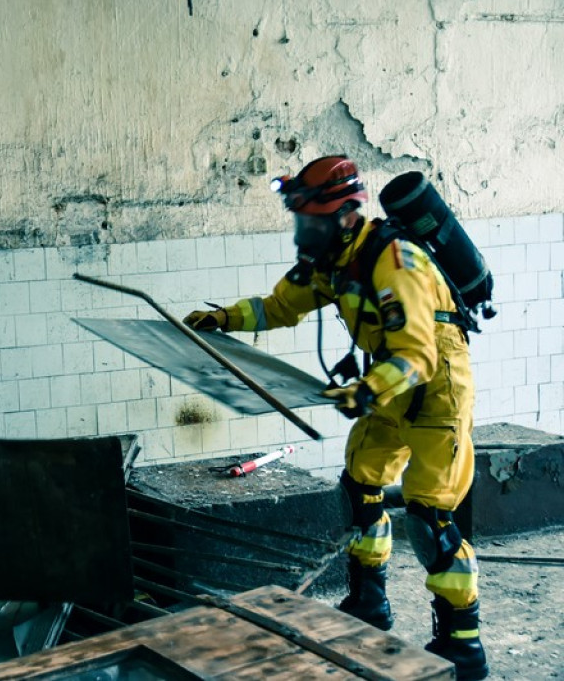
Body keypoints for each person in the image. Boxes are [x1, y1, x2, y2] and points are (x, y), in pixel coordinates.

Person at [182, 156, 488, 680]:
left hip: (437, 390)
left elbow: (418, 357)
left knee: (429, 520)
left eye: (314, 220)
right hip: (389, 387)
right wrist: (223, 318)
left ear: (346, 214)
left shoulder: (394, 260)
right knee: (361, 484)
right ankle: (370, 602)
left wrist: (366, 392)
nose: (306, 230)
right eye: (303, 220)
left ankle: (463, 646)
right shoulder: (333, 260)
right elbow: (279, 306)